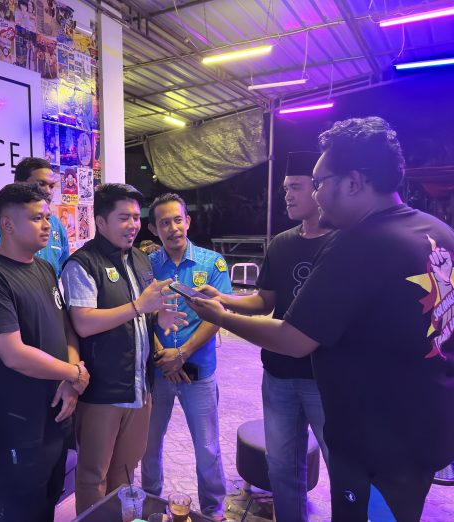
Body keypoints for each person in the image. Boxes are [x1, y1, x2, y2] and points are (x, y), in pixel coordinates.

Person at [189, 117, 454, 521]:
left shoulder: (360, 245)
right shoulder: (436, 231)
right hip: (422, 430)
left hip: (377, 442)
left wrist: (220, 317)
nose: (315, 194)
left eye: (318, 183)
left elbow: (294, 339)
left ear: (353, 182)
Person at [214, 152, 332, 522]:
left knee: (342, 464)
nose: (288, 195)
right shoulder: (282, 243)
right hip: (279, 374)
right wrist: (223, 299)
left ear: (319, 188)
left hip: (326, 378)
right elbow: (265, 301)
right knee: (281, 466)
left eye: (296, 187)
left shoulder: (343, 243)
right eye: (285, 189)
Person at [61, 183, 184, 513]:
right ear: (101, 222)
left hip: (140, 388)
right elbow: (83, 322)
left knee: (127, 471)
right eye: (123, 218)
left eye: (135, 217)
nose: (133, 225)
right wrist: (139, 307)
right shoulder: (82, 264)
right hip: (102, 392)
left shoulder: (140, 259)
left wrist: (158, 314)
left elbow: (143, 309)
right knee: (93, 477)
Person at [0, 183, 90, 521]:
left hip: (56, 414)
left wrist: (71, 380)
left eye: (47, 217)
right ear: (7, 225)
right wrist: (74, 373)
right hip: (18, 425)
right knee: (20, 512)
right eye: (37, 218)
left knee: (47, 505)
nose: (47, 226)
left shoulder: (45, 268)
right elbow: (13, 353)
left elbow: (65, 328)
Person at [141, 193, 230, 520]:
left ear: (188, 221)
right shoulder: (147, 266)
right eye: (164, 222)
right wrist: (162, 354)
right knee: (150, 446)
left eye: (178, 220)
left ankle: (213, 510)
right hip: (159, 372)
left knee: (207, 448)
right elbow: (142, 314)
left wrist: (183, 353)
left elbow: (218, 316)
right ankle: (151, 506)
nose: (173, 228)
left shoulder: (212, 263)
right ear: (154, 229)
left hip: (199, 372)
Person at [0, 157, 69, 274]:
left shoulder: (57, 225)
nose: (48, 191)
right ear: (18, 185)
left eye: (51, 186)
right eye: (41, 184)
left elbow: (64, 271)